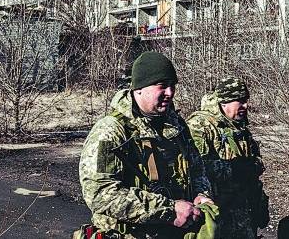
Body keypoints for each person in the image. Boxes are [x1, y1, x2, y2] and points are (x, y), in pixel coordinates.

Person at [78, 51, 215, 238]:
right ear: (139, 88)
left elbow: (197, 169)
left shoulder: (176, 125)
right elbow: (100, 194)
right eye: (162, 86)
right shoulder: (111, 131)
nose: (170, 93)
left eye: (172, 86)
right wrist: (169, 210)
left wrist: (202, 195)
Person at [187, 77, 269, 239]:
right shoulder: (200, 125)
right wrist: (232, 168)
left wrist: (253, 167)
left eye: (246, 101)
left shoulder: (239, 125)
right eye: (239, 101)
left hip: (244, 210)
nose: (245, 106)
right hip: (219, 211)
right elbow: (194, 167)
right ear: (224, 103)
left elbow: (254, 159)